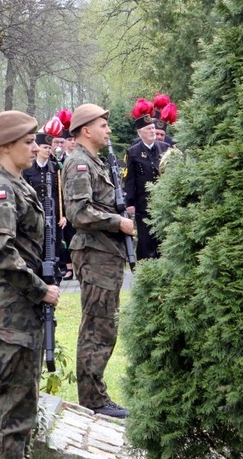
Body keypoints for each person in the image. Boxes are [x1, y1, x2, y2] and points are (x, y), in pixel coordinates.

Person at [0, 110, 67, 459]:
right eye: (28, 141)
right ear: (6, 146)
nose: (35, 147)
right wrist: (39, 288)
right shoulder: (0, 190)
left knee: (24, 398)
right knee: (13, 403)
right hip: (14, 309)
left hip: (22, 308)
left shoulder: (16, 185)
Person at [61, 103, 135, 419]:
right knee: (97, 326)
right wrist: (117, 222)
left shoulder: (96, 162)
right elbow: (78, 213)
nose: (108, 130)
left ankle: (97, 394)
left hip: (105, 252)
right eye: (103, 125)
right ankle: (93, 400)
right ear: (86, 129)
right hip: (94, 252)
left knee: (104, 324)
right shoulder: (78, 163)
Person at [125, 105, 170, 260]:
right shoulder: (133, 151)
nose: (152, 131)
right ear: (140, 132)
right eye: (148, 129)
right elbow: (130, 179)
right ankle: (146, 267)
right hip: (143, 202)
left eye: (153, 128)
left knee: (162, 238)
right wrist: (130, 202)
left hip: (163, 201)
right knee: (145, 239)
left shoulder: (165, 148)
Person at [21, 131, 66, 277]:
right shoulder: (27, 169)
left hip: (53, 214)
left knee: (54, 243)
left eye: (49, 147)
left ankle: (55, 272)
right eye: (44, 147)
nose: (47, 150)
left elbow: (60, 193)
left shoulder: (55, 168)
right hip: (35, 214)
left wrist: (63, 215)